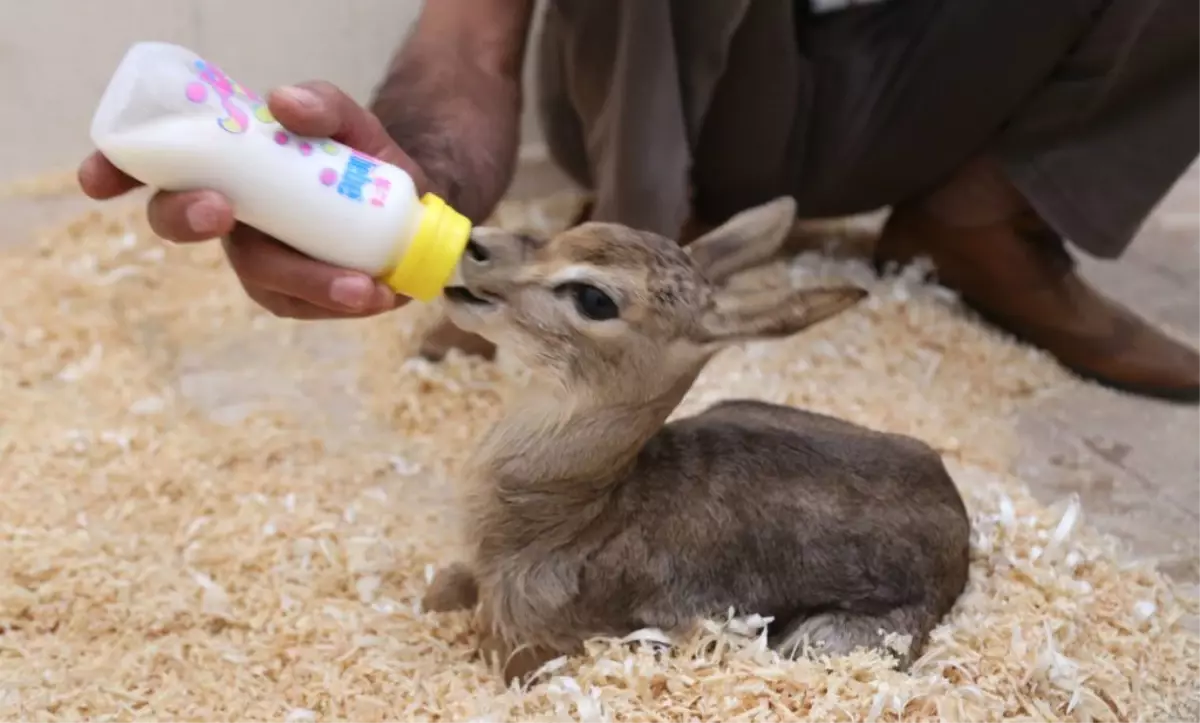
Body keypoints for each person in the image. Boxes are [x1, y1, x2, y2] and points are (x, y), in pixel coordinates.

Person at [77, 0, 1200, 402]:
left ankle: (988, 212)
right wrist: (424, 181)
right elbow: (469, 35)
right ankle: (621, 247)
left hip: (931, 81)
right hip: (697, 96)